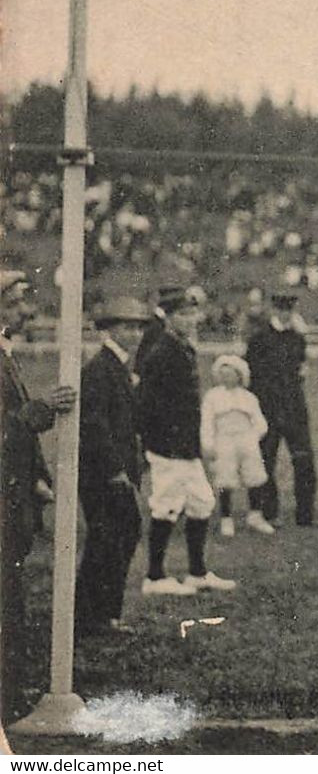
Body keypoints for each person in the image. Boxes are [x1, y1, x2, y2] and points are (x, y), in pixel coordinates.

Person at [1, 270, 77, 721]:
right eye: (14, 303)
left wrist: (38, 477)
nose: (25, 311)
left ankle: (11, 694)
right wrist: (41, 410)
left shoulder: (7, 354)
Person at [136, 286, 236, 595]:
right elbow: (148, 403)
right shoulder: (162, 351)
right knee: (166, 504)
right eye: (183, 314)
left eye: (193, 313)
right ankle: (154, 577)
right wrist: (159, 442)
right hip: (168, 445)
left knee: (202, 502)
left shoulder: (181, 346)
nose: (190, 319)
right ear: (168, 316)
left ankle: (197, 572)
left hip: (185, 445)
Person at [75, 296, 147, 637]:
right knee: (108, 540)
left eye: (138, 327)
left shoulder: (117, 366)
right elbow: (94, 425)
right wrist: (114, 468)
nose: (134, 334)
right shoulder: (100, 368)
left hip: (116, 470)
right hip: (102, 474)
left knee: (120, 536)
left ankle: (103, 615)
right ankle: (94, 617)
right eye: (127, 326)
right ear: (109, 329)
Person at [245, 290, 317, 528]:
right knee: (266, 461)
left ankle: (305, 515)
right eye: (282, 310)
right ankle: (269, 512)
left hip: (294, 408)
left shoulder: (298, 339)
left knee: (304, 460)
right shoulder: (259, 339)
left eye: (290, 310)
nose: (286, 314)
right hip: (268, 408)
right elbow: (252, 376)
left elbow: (300, 373)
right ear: (274, 310)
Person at [201, 355, 271, 537]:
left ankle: (256, 515)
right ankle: (226, 518)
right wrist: (208, 443)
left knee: (254, 476)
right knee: (225, 478)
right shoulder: (213, 397)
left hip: (246, 439)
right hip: (224, 440)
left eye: (231, 374)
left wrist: (254, 437)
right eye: (223, 375)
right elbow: (207, 422)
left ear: (240, 376)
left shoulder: (248, 397)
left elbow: (260, 422)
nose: (227, 378)